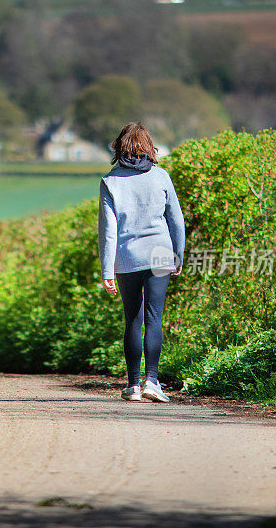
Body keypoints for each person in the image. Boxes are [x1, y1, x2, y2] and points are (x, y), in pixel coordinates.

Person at [98, 122, 185, 403]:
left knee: (133, 320)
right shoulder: (161, 177)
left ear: (118, 147)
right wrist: (178, 255)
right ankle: (152, 381)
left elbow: (109, 232)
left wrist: (106, 270)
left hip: (127, 256)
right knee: (154, 317)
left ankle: (133, 386)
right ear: (149, 147)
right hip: (161, 252)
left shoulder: (110, 182)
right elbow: (176, 220)